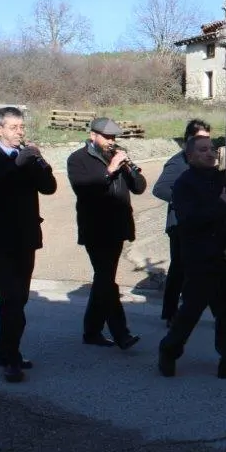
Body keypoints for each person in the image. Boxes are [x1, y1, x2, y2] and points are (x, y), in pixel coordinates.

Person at [158, 135, 226, 380]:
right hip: (201, 259)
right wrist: (219, 205)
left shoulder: (223, 180)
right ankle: (169, 350)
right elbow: (189, 221)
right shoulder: (184, 184)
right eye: (203, 150)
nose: (210, 153)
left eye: (212, 149)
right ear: (190, 156)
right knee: (191, 311)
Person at [0, 107, 57, 383]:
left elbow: (49, 187)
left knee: (18, 298)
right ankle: (11, 358)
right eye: (13, 127)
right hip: (0, 240)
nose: (19, 132)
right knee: (10, 299)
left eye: (21, 127)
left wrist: (40, 162)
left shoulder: (27, 158)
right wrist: (22, 161)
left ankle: (4, 350)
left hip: (26, 238)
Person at [66, 117, 145, 350]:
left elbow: (139, 188)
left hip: (118, 227)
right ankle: (121, 333)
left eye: (113, 138)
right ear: (93, 136)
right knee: (106, 280)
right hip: (95, 228)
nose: (111, 142)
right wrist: (110, 171)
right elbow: (84, 190)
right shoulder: (77, 160)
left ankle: (91, 331)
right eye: (107, 137)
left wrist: (128, 167)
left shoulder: (117, 155)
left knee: (104, 279)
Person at [152, 118, 211, 327]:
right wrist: (185, 200)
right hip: (179, 224)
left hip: (199, 223)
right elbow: (159, 189)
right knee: (179, 269)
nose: (205, 145)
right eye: (200, 139)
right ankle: (170, 313)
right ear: (188, 141)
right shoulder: (177, 163)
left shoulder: (205, 161)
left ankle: (221, 308)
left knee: (204, 266)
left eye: (207, 139)